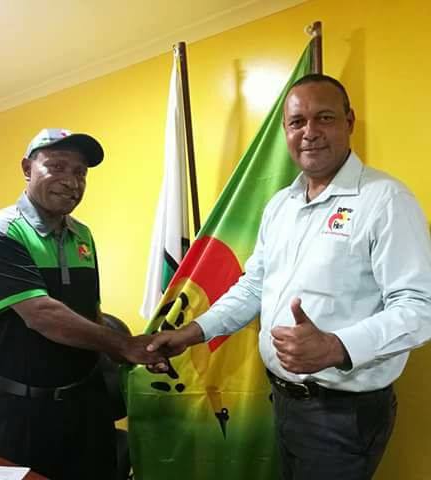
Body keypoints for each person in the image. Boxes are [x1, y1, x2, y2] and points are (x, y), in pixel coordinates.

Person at [147, 75, 431, 479]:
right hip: (284, 401)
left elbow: (420, 308)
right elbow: (254, 286)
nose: (309, 132)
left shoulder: (385, 199)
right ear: (286, 130)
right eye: (297, 122)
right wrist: (193, 332)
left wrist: (337, 346)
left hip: (342, 414)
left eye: (324, 117)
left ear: (349, 122)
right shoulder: (280, 205)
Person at [0, 128, 164, 480]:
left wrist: (133, 354)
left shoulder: (82, 234)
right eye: (57, 167)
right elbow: (43, 315)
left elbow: (91, 310)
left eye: (80, 172)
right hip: (21, 411)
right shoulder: (0, 232)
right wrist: (124, 344)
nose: (72, 182)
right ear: (27, 168)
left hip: (86, 403)